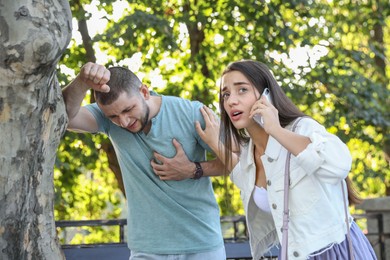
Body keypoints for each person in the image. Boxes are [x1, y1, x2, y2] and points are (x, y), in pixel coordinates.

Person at [196, 60, 377, 259]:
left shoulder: (302, 128)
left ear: (267, 95)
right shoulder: (250, 152)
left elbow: (339, 165)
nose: (231, 101)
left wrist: (275, 129)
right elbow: (243, 176)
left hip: (335, 251)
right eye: (226, 94)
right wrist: (215, 144)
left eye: (242, 90)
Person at [62, 62, 226, 260]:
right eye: (113, 116)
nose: (123, 122)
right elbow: (64, 117)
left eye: (128, 110)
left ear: (145, 92)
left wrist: (193, 169)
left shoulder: (191, 113)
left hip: (202, 244)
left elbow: (238, 161)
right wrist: (81, 82)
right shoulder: (107, 120)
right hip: (147, 250)